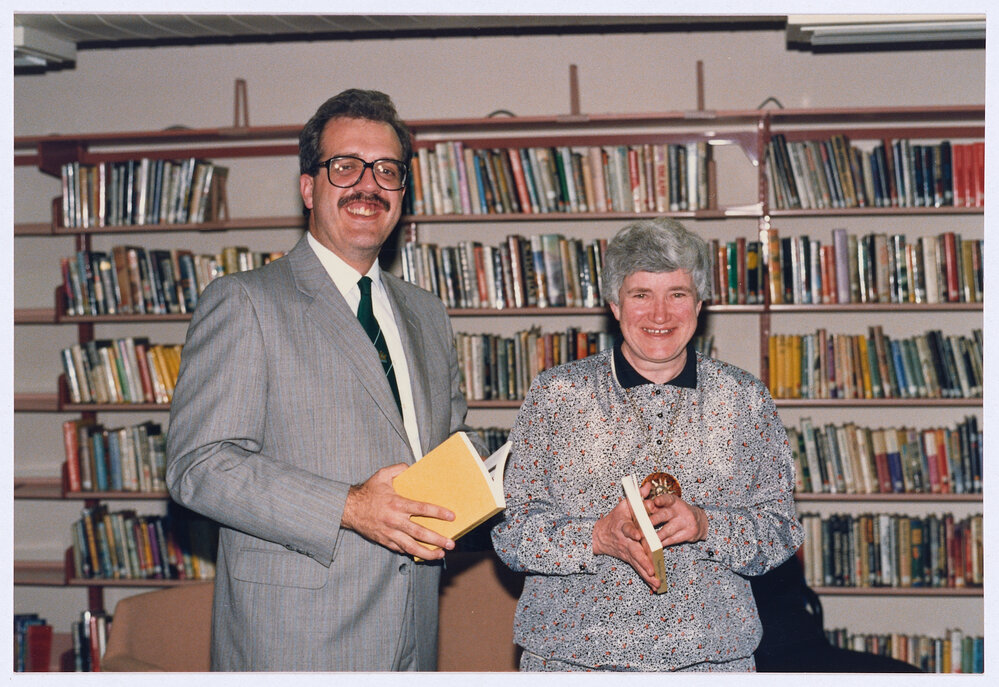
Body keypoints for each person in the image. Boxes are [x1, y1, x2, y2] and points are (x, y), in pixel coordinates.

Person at [166, 89, 481, 671]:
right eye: (346, 167)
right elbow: (199, 467)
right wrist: (349, 506)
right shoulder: (246, 302)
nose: (369, 184)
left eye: (387, 170)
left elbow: (444, 450)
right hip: (295, 639)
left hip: (413, 626)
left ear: (403, 193)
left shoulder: (427, 313)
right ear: (309, 187)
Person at [491, 217, 803, 671]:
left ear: (699, 303)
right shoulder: (557, 395)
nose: (660, 315)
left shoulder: (744, 399)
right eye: (641, 295)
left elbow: (781, 531)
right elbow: (512, 534)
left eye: (677, 294)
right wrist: (596, 537)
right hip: (573, 662)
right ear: (615, 305)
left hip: (710, 663)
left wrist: (705, 525)